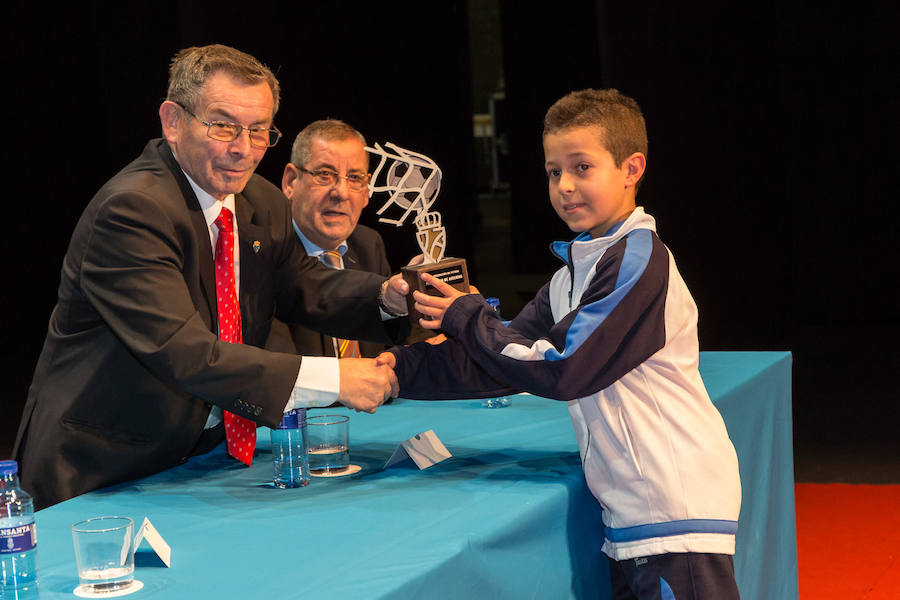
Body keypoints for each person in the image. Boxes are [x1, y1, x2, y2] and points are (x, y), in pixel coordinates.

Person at [13, 44, 410, 510]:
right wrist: (334, 378)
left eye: (259, 130)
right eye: (223, 126)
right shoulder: (131, 211)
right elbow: (187, 353)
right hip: (102, 471)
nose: (243, 149)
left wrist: (387, 297)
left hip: (200, 461)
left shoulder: (257, 199)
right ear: (173, 121)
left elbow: (307, 285)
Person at [380, 89, 742, 599]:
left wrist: (467, 316)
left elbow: (565, 370)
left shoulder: (638, 261)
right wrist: (395, 371)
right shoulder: (572, 273)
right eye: (554, 172)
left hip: (674, 507)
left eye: (582, 167)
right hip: (636, 509)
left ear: (631, 168)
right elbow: (502, 360)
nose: (566, 186)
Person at [266, 119, 394, 359]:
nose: (341, 193)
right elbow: (280, 365)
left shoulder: (368, 244)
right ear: (290, 181)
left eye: (355, 178)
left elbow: (389, 341)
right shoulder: (266, 255)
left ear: (366, 192)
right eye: (325, 175)